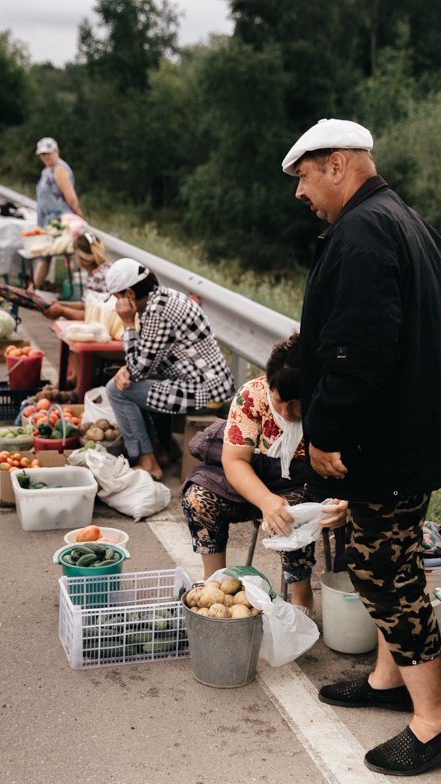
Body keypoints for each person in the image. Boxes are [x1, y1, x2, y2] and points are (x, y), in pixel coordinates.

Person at [281, 118, 441, 775]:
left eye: (304, 176)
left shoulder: (363, 231)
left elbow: (359, 350)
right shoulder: (398, 218)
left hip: (392, 436)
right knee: (389, 557)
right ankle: (387, 682)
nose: (299, 192)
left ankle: (436, 722)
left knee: (382, 569)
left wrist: (323, 434)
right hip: (416, 425)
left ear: (339, 164)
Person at [181, 333, 347, 611]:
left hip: (303, 484)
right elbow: (235, 461)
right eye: (279, 400)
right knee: (198, 498)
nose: (287, 411)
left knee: (291, 514)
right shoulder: (251, 397)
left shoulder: (332, 406)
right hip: (252, 478)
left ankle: (301, 593)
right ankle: (214, 584)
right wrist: (265, 500)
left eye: (297, 403)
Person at [104, 258, 235, 480]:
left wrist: (127, 324)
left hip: (204, 393)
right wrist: (127, 369)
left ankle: (147, 462)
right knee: (127, 383)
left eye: (118, 298)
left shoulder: (157, 312)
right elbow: (146, 358)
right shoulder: (163, 298)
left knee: (117, 391)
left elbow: (138, 370)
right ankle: (159, 452)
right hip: (210, 385)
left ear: (130, 293)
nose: (118, 305)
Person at [33, 137, 82, 289]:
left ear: (56, 151)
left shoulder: (60, 169)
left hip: (60, 221)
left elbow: (70, 197)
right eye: (43, 154)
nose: (46, 157)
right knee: (45, 255)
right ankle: (36, 287)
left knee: (50, 254)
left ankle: (36, 288)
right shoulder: (46, 171)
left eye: (49, 153)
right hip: (47, 220)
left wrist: (79, 215)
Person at [42, 230, 111, 321]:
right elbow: (86, 304)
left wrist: (63, 311)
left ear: (79, 257)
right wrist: (59, 303)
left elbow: (93, 316)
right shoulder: (102, 269)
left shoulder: (98, 277)